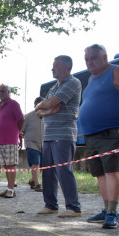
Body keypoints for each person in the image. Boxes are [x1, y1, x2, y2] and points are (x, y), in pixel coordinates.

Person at [79, 44, 119, 229]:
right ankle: (106, 209)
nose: (89, 62)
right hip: (92, 134)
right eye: (87, 59)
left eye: (93, 57)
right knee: (100, 174)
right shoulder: (91, 78)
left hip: (112, 132)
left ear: (104, 57)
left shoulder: (115, 71)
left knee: (112, 171)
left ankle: (113, 212)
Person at [35, 55, 82, 217]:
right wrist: (47, 108)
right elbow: (39, 110)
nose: (52, 69)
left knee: (63, 170)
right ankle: (50, 205)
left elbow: (51, 102)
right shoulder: (53, 87)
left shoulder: (73, 83)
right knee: (47, 171)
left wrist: (45, 106)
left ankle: (73, 207)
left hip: (63, 134)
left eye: (55, 66)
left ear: (66, 67)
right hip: (48, 135)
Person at [0, 84, 24, 198]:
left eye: (2, 91)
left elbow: (21, 119)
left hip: (10, 139)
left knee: (10, 165)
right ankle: (8, 187)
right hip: (0, 140)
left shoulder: (14, 104)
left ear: (8, 92)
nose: (0, 93)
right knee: (5, 165)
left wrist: (15, 131)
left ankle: (11, 189)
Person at [21, 97, 45, 191]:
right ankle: (37, 184)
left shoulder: (47, 116)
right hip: (31, 143)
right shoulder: (28, 116)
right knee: (35, 162)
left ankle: (33, 180)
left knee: (42, 165)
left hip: (44, 143)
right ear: (34, 106)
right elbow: (21, 130)